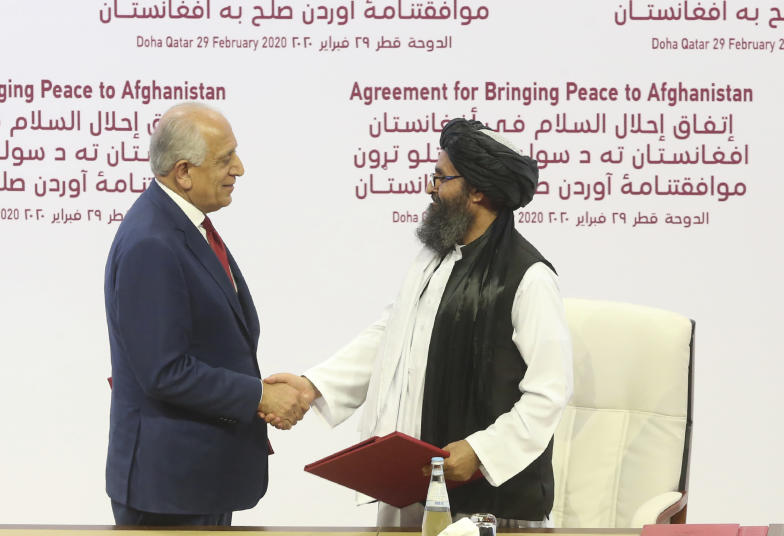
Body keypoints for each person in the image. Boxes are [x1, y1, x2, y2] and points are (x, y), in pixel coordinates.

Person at [266, 118, 573, 527]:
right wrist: (313, 386)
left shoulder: (529, 277)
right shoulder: (435, 259)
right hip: (415, 490)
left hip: (493, 510)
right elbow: (390, 336)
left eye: (440, 178)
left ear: (477, 190)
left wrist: (482, 453)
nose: (431, 188)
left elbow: (549, 393)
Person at [104, 103, 309, 526]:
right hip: (169, 492)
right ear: (183, 172)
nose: (240, 168)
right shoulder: (153, 243)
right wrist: (258, 395)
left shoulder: (180, 226)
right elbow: (163, 371)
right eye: (225, 159)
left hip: (197, 480)